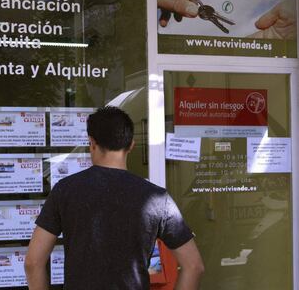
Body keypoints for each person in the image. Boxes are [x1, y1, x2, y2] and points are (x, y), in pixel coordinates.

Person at [24, 106, 204, 290]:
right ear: (131, 145)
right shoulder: (156, 197)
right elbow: (194, 266)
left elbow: (33, 262)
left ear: (91, 143)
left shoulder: (65, 190)